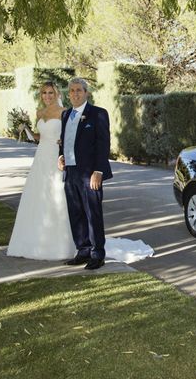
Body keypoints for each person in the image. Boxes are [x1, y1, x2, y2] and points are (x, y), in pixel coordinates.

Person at [7, 82, 76, 260]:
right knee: (37, 195)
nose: (47, 96)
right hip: (41, 157)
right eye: (44, 93)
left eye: (51, 93)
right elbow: (41, 137)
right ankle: (33, 241)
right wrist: (27, 130)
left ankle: (63, 245)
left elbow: (72, 135)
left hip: (56, 157)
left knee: (57, 195)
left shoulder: (64, 112)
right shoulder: (39, 112)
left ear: (57, 94)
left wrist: (65, 147)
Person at [59, 78, 113, 270]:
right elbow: (65, 141)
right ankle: (82, 250)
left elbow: (103, 144)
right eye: (72, 90)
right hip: (70, 172)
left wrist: (98, 171)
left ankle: (97, 254)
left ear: (86, 93)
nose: (75, 93)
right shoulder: (66, 115)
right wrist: (61, 157)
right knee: (76, 213)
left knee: (93, 215)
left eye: (79, 90)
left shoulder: (98, 114)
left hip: (90, 174)